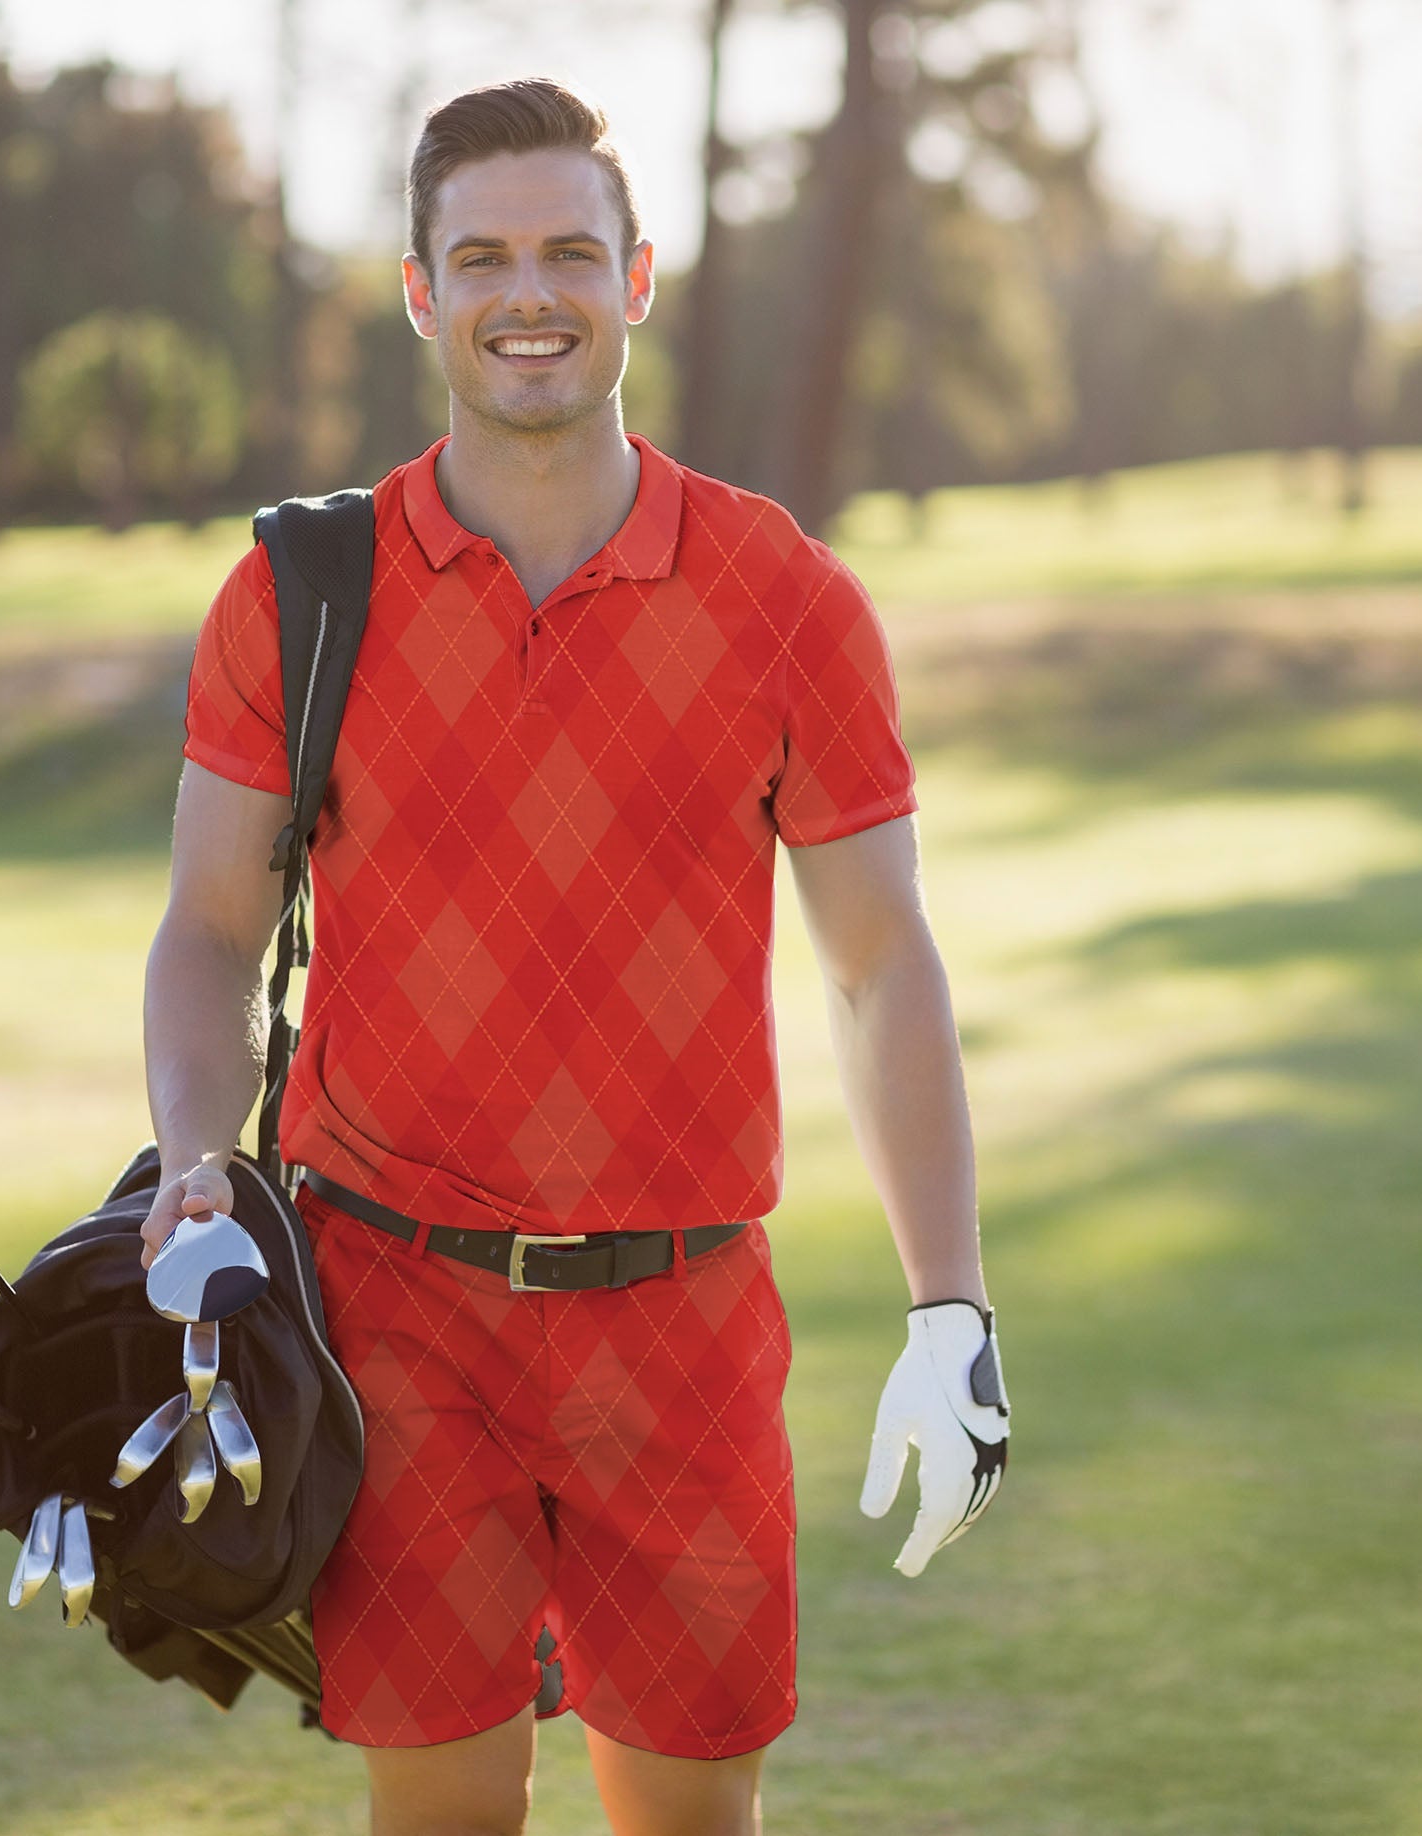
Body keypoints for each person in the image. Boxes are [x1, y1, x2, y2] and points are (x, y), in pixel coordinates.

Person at [140, 78, 1005, 1836]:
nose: (527, 293)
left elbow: (879, 967)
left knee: (692, 1818)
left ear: (639, 278)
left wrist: (951, 1307)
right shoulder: (300, 594)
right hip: (392, 1317)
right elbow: (212, 928)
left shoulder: (784, 595)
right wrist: (192, 1160)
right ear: (420, 292)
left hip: (685, 1319)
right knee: (441, 1816)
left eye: (568, 254)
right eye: (482, 258)